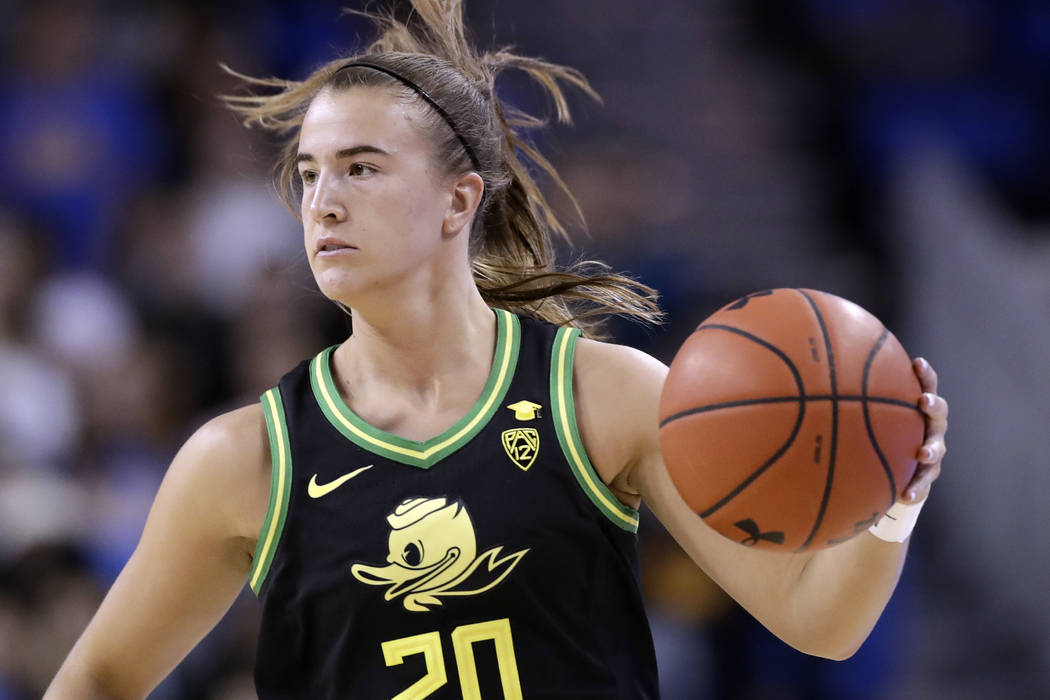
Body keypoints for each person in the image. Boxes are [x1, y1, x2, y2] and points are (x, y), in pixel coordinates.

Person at [44, 1, 949, 698]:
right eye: (309, 173)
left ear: (458, 201)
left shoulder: (601, 395)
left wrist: (892, 502)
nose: (322, 201)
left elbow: (817, 622)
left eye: (361, 167)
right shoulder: (245, 459)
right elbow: (95, 681)